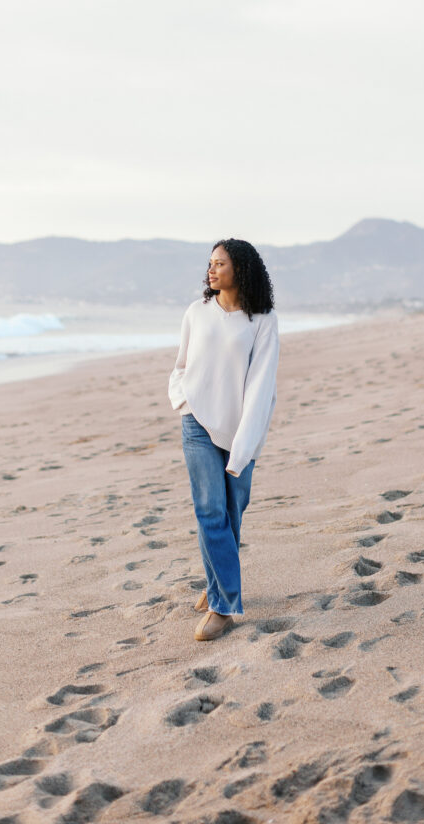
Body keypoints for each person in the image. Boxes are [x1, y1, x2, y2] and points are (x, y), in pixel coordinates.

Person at [168, 238, 280, 641]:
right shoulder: (196, 313)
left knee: (233, 513)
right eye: (210, 263)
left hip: (239, 429)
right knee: (210, 510)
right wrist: (182, 400)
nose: (211, 270)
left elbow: (261, 387)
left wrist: (244, 446)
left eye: (220, 264)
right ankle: (224, 605)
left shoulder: (262, 320)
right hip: (197, 422)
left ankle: (215, 582)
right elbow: (180, 365)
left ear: (241, 270)